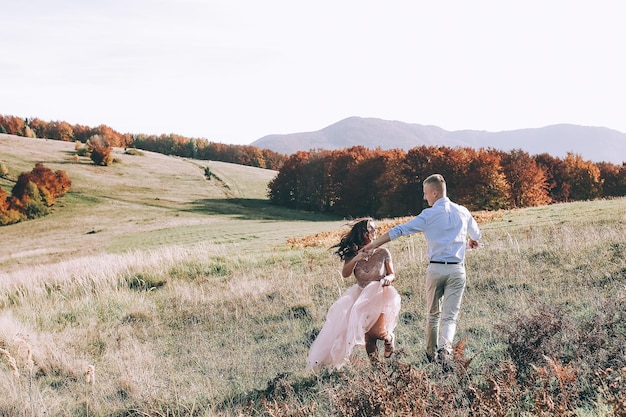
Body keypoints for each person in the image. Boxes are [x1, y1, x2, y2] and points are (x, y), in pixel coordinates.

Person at [361, 174, 482, 367]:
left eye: (426, 194)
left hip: (435, 269)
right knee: (450, 316)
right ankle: (445, 349)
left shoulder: (429, 215)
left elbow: (399, 230)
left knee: (433, 314)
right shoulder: (463, 212)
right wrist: (471, 241)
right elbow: (476, 234)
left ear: (434, 192)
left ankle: (430, 354)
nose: (425, 198)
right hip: (457, 270)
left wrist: (374, 244)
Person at [307, 217, 401, 371]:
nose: (375, 230)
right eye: (371, 228)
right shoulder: (353, 253)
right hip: (360, 297)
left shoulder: (383, 252)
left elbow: (392, 274)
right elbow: (345, 274)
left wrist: (388, 279)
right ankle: (376, 369)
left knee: (378, 332)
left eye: (375, 228)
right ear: (363, 233)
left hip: (379, 294)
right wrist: (357, 258)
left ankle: (389, 339)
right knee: (368, 337)